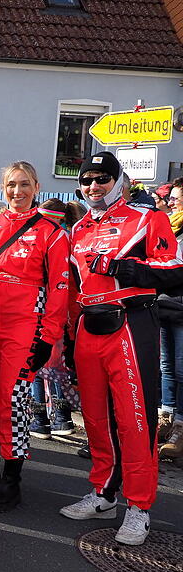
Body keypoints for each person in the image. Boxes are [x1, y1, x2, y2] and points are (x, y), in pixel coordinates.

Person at [60, 151, 183, 545]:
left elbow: (176, 270)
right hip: (88, 327)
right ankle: (102, 492)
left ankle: (139, 506)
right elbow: (73, 289)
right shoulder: (77, 229)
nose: (94, 186)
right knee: (96, 417)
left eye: (102, 179)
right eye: (87, 180)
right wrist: (65, 335)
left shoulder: (147, 218)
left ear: (118, 181)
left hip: (130, 324)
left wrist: (137, 270)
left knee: (134, 419)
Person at [0, 161, 69, 512]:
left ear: (37, 187)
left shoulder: (51, 232)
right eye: (11, 185)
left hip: (22, 326)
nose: (17, 192)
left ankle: (13, 478)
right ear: (3, 188)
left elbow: (59, 289)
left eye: (24, 184)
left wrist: (47, 337)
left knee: (13, 399)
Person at [157, 179, 183, 458]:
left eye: (176, 198)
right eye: (171, 198)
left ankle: (180, 426)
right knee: (166, 367)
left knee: (181, 368)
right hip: (165, 304)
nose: (172, 202)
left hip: (181, 307)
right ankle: (165, 418)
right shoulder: (169, 227)